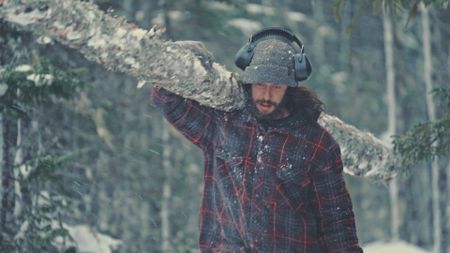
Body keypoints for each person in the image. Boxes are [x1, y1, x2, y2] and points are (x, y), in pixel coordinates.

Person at [152, 27, 363, 253]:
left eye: (277, 87)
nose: (267, 95)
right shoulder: (223, 123)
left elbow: (337, 222)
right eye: (260, 84)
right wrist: (181, 59)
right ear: (249, 82)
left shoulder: (317, 143)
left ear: (290, 88)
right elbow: (167, 100)